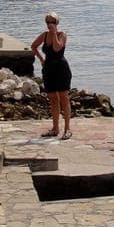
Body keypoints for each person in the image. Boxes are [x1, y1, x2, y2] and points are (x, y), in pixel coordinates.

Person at [31, 11, 72, 139]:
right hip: (48, 68)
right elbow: (33, 46)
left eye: (52, 22)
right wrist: (41, 59)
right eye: (48, 22)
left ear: (56, 23)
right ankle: (55, 128)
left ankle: (67, 129)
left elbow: (57, 48)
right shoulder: (44, 35)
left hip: (61, 68)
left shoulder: (62, 34)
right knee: (53, 99)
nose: (49, 24)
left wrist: (54, 33)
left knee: (64, 98)